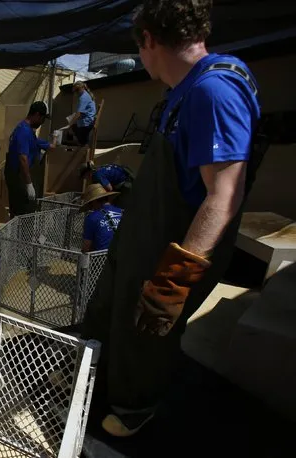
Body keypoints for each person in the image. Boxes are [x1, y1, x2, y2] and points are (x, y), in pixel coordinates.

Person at [80, 0, 265, 438]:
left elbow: (224, 195)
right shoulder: (182, 91)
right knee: (107, 312)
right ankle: (95, 378)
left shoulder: (215, 91)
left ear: (148, 39)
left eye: (138, 47)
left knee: (145, 330)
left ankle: (134, 406)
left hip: (172, 248)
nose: (139, 58)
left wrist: (175, 277)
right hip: (141, 236)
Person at [5, 101, 56, 217]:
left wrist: (49, 144)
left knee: (26, 210)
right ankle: (20, 234)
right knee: (22, 212)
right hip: (19, 176)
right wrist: (29, 184)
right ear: (37, 115)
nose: (42, 122)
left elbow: (35, 143)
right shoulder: (23, 131)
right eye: (43, 119)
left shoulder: (28, 131)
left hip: (21, 174)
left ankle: (21, 233)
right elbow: (23, 158)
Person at [81, 184, 123, 253]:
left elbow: (86, 246)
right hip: (123, 255)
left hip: (102, 258)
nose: (91, 208)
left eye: (90, 204)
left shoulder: (91, 218)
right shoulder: (121, 212)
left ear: (94, 201)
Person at [68, 81, 97, 145]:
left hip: (86, 123)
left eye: (77, 90)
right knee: (75, 128)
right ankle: (83, 145)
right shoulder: (86, 95)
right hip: (88, 121)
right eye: (75, 91)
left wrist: (70, 124)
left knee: (74, 127)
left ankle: (83, 148)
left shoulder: (83, 97)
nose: (77, 92)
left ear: (83, 88)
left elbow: (79, 113)